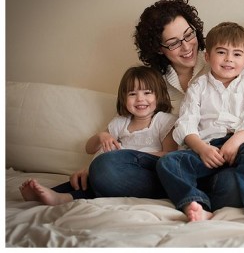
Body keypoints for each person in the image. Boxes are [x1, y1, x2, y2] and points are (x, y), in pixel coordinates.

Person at [87, 0, 244, 211]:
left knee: (232, 181)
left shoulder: (229, 62)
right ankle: (195, 193)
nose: (186, 46)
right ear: (159, 49)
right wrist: (94, 168)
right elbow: (132, 129)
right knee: (106, 168)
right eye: (173, 43)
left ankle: (203, 196)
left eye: (189, 35)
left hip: (228, 157)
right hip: (185, 160)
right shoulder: (152, 83)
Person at [156, 22, 244, 234]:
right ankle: (196, 205)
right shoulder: (198, 87)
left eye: (237, 54)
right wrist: (201, 148)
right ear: (208, 57)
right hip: (207, 149)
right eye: (221, 52)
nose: (229, 59)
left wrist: (236, 141)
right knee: (168, 162)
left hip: (242, 145)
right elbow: (185, 124)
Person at [19, 66, 177, 205]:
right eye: (132, 94)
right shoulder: (121, 122)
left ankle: (63, 197)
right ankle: (54, 195)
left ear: (158, 95)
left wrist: (126, 157)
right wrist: (101, 136)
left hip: (147, 177)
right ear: (124, 98)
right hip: (112, 173)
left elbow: (170, 156)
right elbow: (89, 148)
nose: (140, 99)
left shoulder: (163, 121)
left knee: (104, 171)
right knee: (88, 179)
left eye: (147, 92)